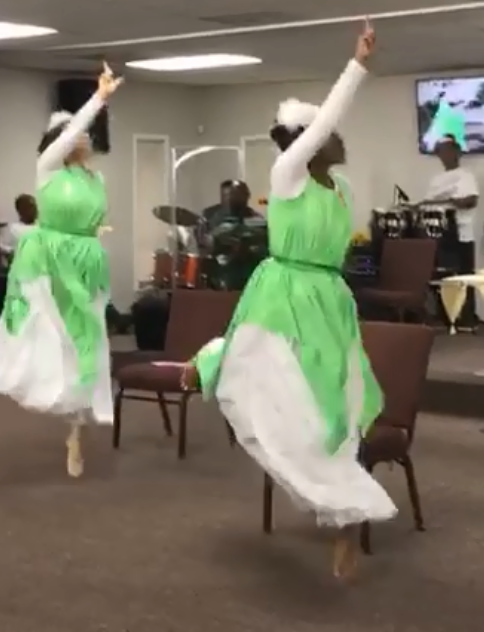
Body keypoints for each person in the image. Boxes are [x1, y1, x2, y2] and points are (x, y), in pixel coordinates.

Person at [198, 19, 393, 581]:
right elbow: (326, 121)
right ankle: (212, 363)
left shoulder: (343, 188)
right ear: (311, 140)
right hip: (284, 294)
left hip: (329, 299)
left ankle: (345, 516)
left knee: (339, 407)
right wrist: (357, 66)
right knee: (285, 403)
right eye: (327, 133)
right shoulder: (287, 174)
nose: (339, 138)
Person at [0, 62, 123, 479]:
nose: (85, 138)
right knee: (34, 332)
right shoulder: (48, 167)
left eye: (86, 134)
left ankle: (75, 433)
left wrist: (93, 233)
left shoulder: (96, 179)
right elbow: (72, 132)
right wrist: (99, 98)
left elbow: (92, 218)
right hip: (48, 261)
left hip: (85, 264)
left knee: (85, 345)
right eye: (78, 134)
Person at [424, 135, 480, 331]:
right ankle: (445, 316)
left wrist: (447, 202)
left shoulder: (466, 176)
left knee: (463, 277)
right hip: (438, 233)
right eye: (441, 152)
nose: (444, 155)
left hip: (461, 233)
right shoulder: (436, 180)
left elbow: (471, 201)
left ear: (457, 152)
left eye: (448, 151)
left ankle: (466, 318)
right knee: (442, 276)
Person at [0, 194, 39, 264]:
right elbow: (4, 248)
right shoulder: (12, 229)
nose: (35, 210)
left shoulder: (43, 227)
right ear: (20, 210)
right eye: (30, 207)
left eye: (35, 206)